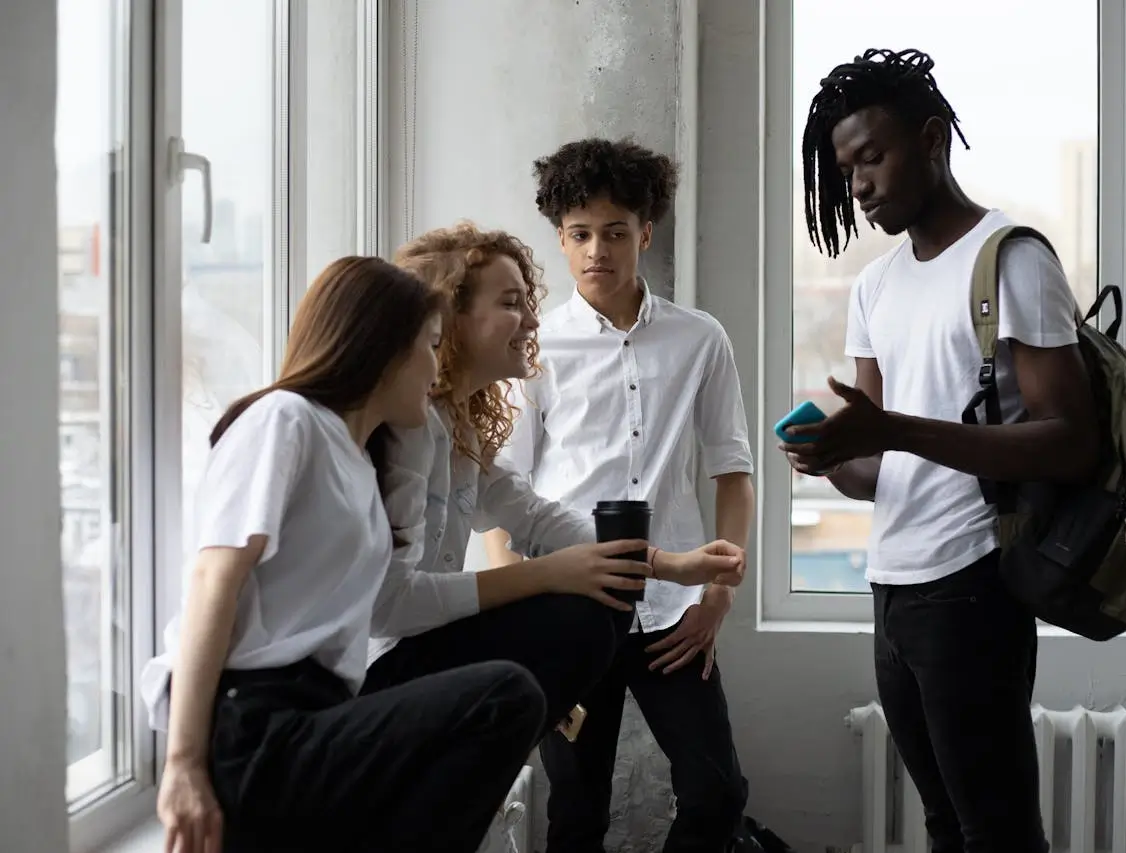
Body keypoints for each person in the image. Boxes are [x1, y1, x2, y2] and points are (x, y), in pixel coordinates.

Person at [783, 49, 1099, 853]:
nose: (857, 185)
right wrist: (832, 456)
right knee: (944, 825)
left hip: (972, 588)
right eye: (844, 168)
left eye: (871, 157)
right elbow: (877, 469)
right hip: (891, 590)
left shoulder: (1010, 257)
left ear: (931, 140)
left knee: (997, 831)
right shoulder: (875, 287)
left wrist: (890, 430)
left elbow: (1071, 440)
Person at [139, 256, 548, 853]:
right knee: (504, 697)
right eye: (430, 346)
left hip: (315, 715)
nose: (437, 366)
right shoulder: (286, 419)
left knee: (510, 695)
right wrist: (182, 765)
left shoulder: (360, 462)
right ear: (382, 350)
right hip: (250, 723)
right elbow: (212, 581)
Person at [363, 222, 746, 740]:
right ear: (452, 318)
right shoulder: (413, 426)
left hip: (424, 652)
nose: (532, 321)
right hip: (376, 675)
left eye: (527, 302)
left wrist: (670, 565)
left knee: (597, 605)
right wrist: (549, 575)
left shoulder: (459, 427)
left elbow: (533, 515)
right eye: (511, 304)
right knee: (582, 614)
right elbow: (387, 607)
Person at [484, 138, 755, 853]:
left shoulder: (701, 339)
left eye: (612, 231)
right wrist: (518, 605)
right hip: (569, 609)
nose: (596, 249)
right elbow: (501, 492)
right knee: (575, 810)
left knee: (717, 792)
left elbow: (734, 471)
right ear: (561, 240)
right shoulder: (532, 348)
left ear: (645, 231)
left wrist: (716, 599)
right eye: (579, 234)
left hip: (674, 614)